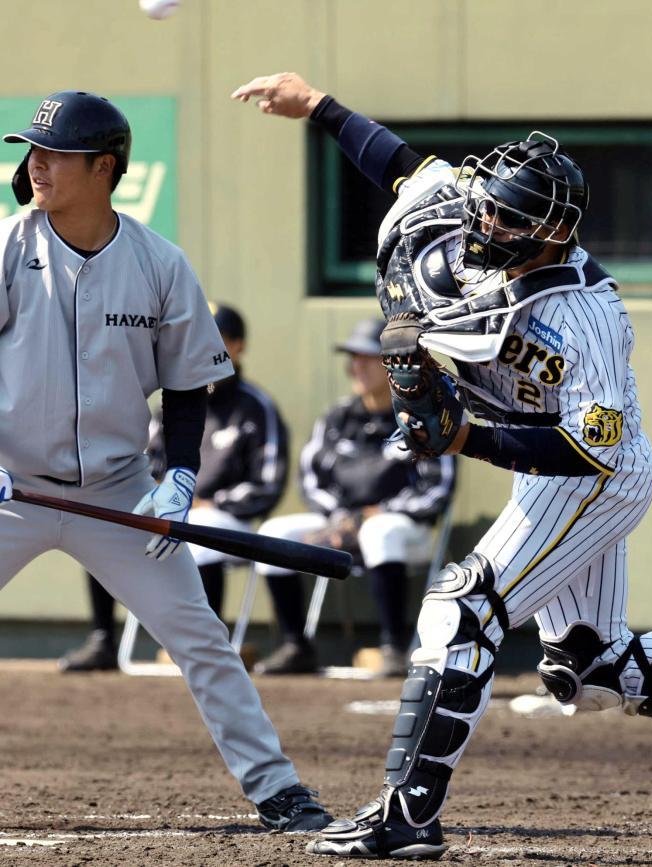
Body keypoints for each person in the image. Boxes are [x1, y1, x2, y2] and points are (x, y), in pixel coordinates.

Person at [232, 73, 652, 860]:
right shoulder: (461, 222)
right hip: (539, 457)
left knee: (461, 611)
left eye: (510, 217)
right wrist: (318, 104)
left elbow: (586, 449)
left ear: (553, 234)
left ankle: (407, 815)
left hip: (594, 472)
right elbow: (400, 165)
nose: (487, 220)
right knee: (589, 667)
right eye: (488, 204)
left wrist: (464, 439)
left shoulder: (585, 315)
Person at [0, 90, 331, 832]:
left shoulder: (159, 263)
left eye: (55, 152)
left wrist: (181, 475)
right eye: (34, 150)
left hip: (118, 492)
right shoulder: (7, 244)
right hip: (9, 486)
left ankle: (276, 787)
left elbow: (187, 386)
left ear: (104, 167)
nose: (37, 164)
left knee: (202, 637)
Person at [58, 301, 290, 672]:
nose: (205, 348)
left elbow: (267, 484)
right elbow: (141, 463)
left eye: (218, 339)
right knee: (103, 527)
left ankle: (204, 645)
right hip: (172, 509)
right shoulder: (173, 404)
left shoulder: (256, 407)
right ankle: (103, 639)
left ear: (239, 346)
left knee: (201, 527)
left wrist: (209, 502)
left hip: (228, 520)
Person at [254, 317, 456, 676]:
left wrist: (372, 515)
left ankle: (393, 648)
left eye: (366, 357)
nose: (356, 367)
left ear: (392, 364)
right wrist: (340, 518)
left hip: (404, 530)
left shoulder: (420, 416)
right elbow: (311, 476)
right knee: (273, 533)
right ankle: (295, 646)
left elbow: (436, 490)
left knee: (378, 531)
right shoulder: (338, 416)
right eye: (353, 358)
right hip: (338, 523)